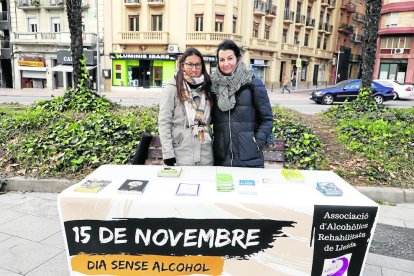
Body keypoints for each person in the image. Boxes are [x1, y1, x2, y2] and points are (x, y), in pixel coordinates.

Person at [210, 39, 273, 168]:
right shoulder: (213, 86)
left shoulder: (253, 84)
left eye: (230, 58)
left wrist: (256, 143)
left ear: (237, 58)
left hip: (250, 159)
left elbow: (267, 119)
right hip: (222, 159)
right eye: (221, 60)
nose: (225, 63)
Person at [158, 48, 214, 166]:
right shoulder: (172, 88)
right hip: (181, 151)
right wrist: (168, 153)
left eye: (198, 65)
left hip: (205, 151)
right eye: (190, 64)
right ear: (182, 65)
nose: (194, 69)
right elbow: (164, 122)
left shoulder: (208, 87)